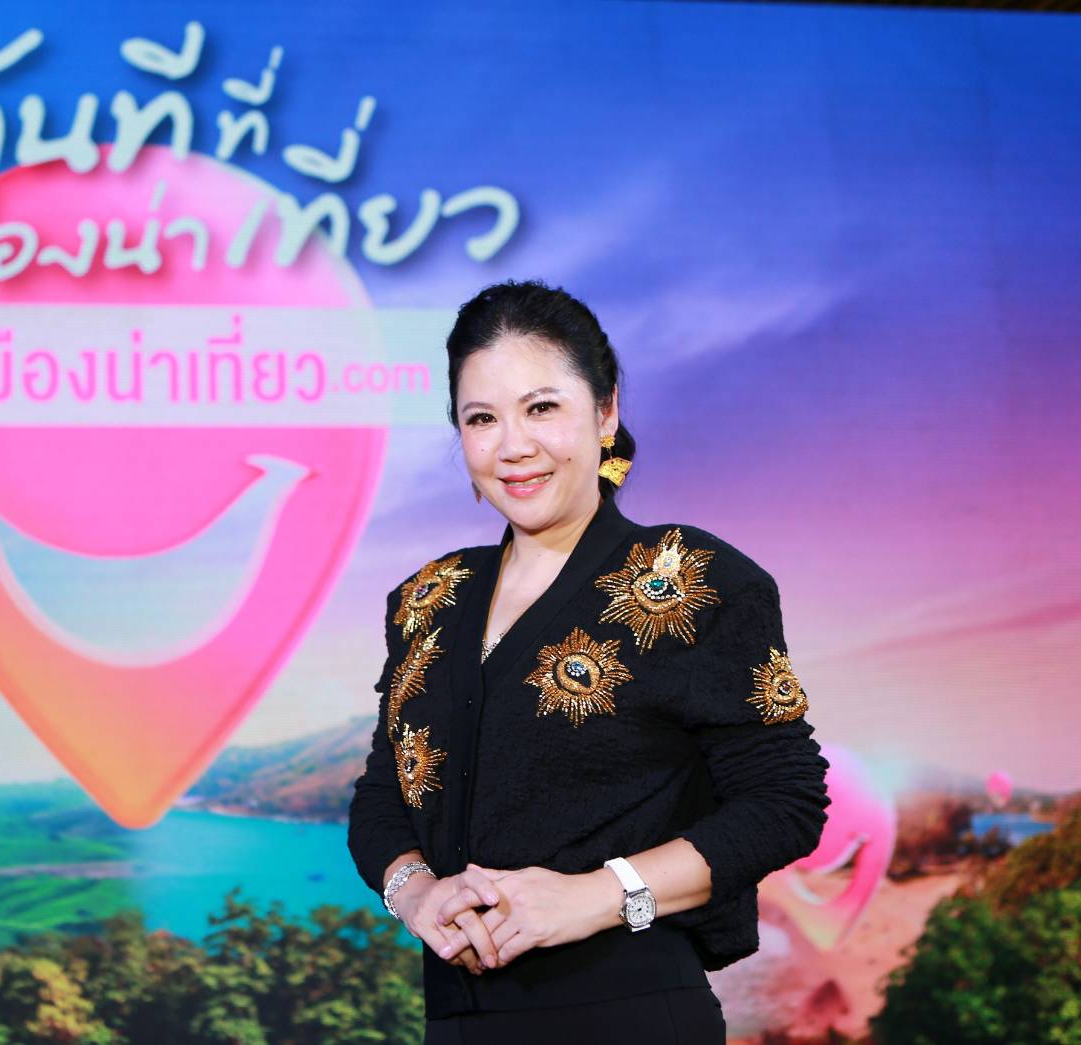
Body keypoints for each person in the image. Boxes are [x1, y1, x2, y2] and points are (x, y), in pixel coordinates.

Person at [346, 280, 832, 1043]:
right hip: (457, 1022)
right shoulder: (426, 598)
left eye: (541, 407)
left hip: (630, 1015)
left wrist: (596, 896)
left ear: (605, 413)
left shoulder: (690, 577)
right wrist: (414, 893)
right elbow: (384, 794)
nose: (512, 445)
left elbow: (784, 801)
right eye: (481, 418)